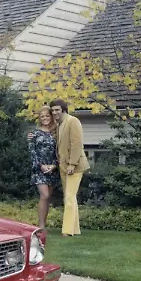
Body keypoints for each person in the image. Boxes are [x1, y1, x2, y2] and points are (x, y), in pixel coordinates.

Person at [50, 99, 89, 236]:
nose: (54, 112)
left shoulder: (73, 121)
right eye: (52, 110)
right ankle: (75, 230)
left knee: (69, 197)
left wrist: (72, 164)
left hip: (75, 166)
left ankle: (66, 230)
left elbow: (76, 144)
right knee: (70, 197)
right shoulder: (59, 125)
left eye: (57, 110)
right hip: (63, 166)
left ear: (63, 109)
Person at [28, 105, 59, 229]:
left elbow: (59, 151)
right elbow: (32, 152)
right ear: (39, 118)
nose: (45, 118)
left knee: (47, 198)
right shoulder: (34, 133)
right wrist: (40, 166)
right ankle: (40, 226)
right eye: (42, 116)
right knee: (44, 195)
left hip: (52, 169)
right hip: (39, 170)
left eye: (47, 116)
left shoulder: (56, 132)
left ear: (51, 117)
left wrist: (54, 165)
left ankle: (44, 225)